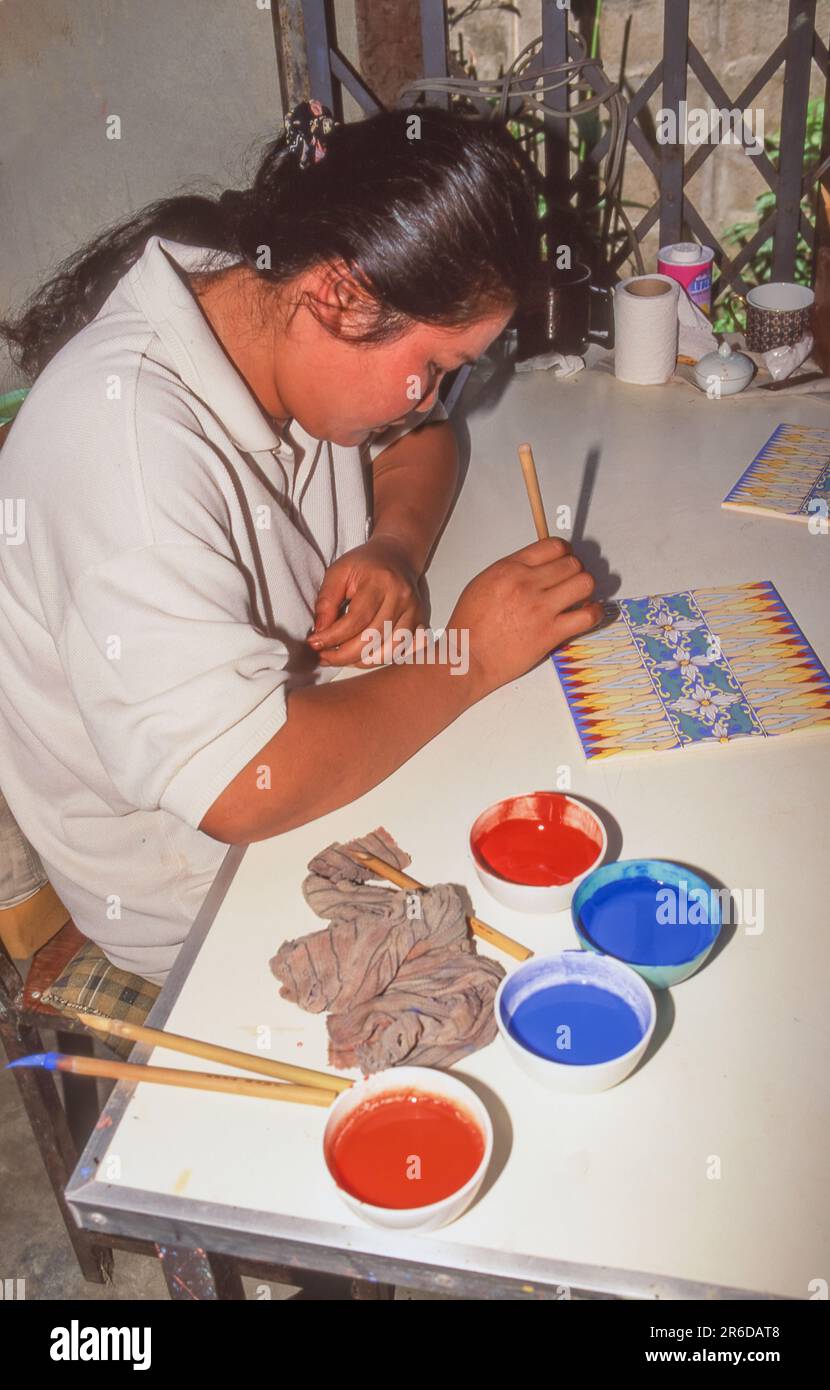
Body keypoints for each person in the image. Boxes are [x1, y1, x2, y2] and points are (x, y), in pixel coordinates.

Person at [0, 103, 601, 986]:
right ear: (341, 293)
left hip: (315, 761)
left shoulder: (255, 292)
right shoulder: (122, 449)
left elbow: (421, 441)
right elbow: (245, 783)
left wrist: (394, 545)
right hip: (210, 904)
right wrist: (469, 661)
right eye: (431, 367)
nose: (429, 394)